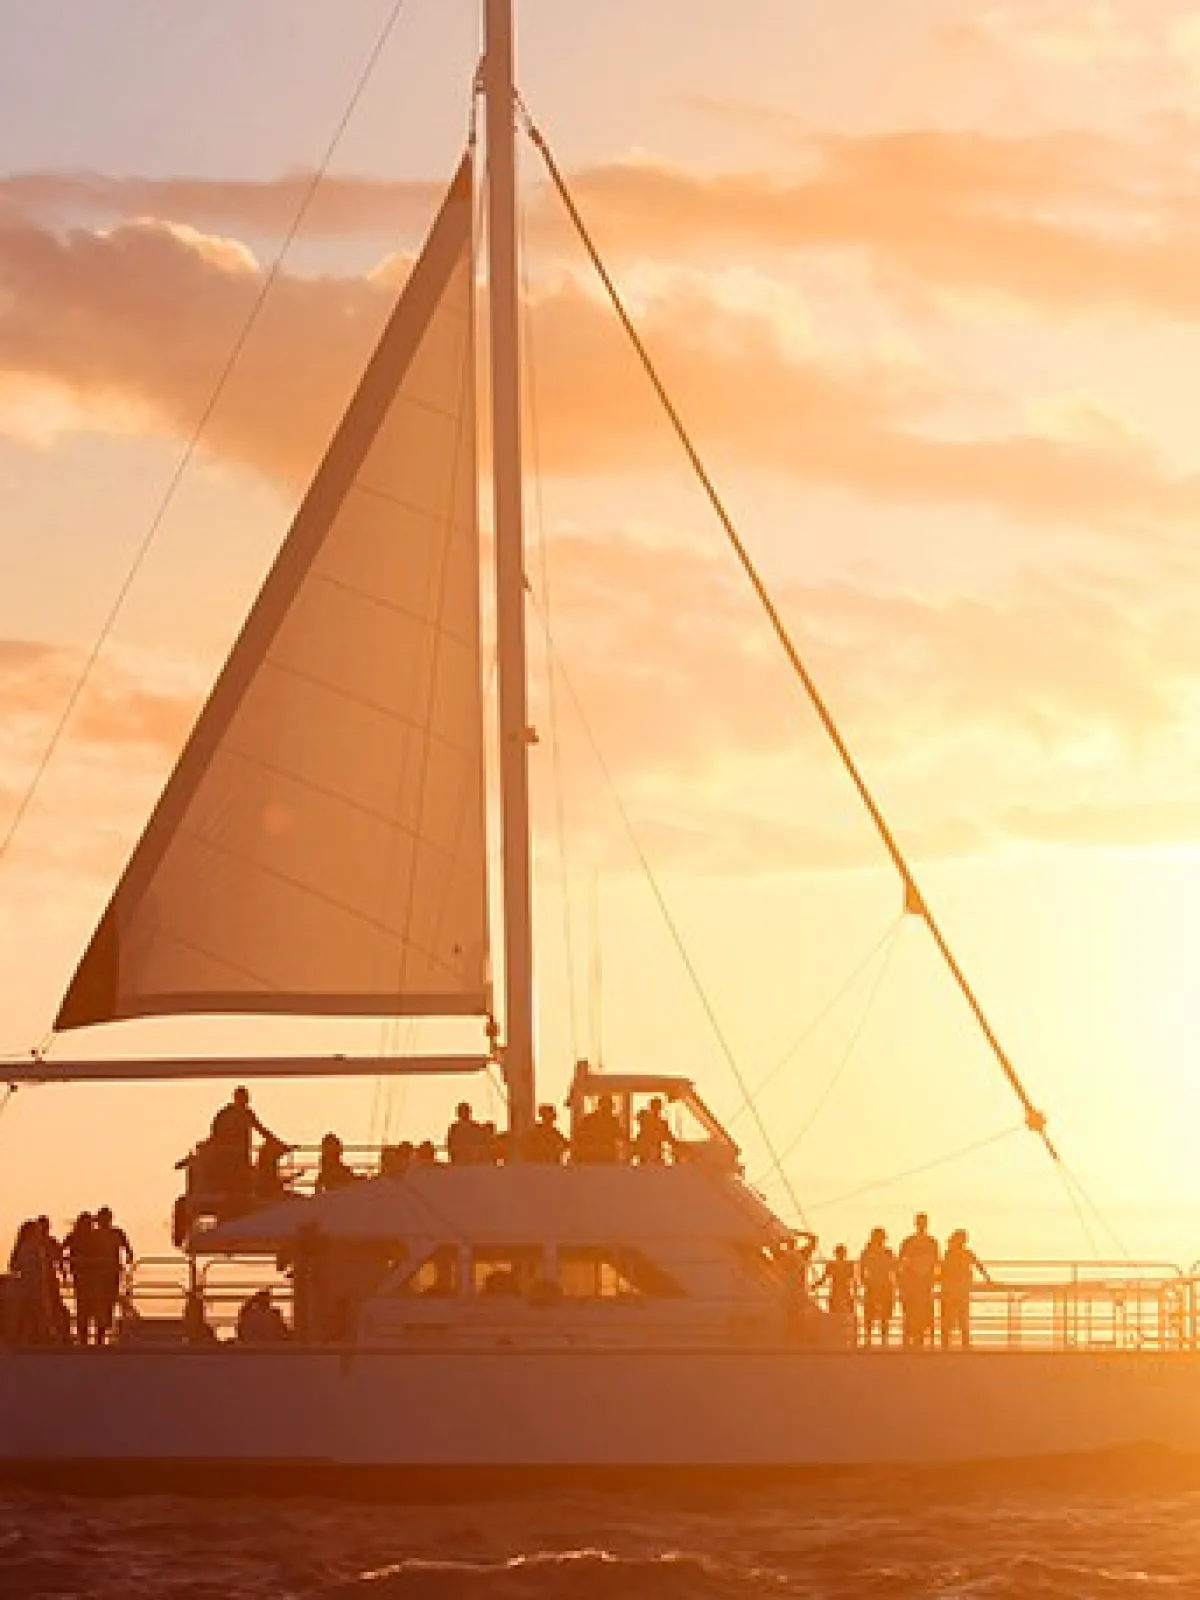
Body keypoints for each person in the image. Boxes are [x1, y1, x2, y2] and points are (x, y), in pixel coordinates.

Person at [208, 1086, 285, 1200]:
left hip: (239, 1154)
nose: (245, 1101)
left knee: (243, 1175)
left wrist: (278, 1143)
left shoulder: (243, 1113)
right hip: (230, 1154)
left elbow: (261, 1130)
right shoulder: (227, 1114)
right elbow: (215, 1133)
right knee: (238, 1176)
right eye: (244, 1098)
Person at [940, 1227, 992, 1348]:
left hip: (956, 1290)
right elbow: (978, 1265)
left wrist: (987, 1278)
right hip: (954, 1290)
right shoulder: (956, 1254)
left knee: (957, 1319)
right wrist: (987, 1279)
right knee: (955, 1318)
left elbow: (978, 1265)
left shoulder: (955, 1253)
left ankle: (953, 1343)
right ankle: (958, 1343)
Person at [91, 1206, 134, 1345]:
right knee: (99, 1303)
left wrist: (128, 1261)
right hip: (98, 1274)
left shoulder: (116, 1233)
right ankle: (100, 1333)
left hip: (112, 1273)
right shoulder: (94, 1234)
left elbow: (127, 1249)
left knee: (108, 1302)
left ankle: (104, 1331)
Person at [898, 1212, 940, 1348]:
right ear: (916, 1223)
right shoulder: (908, 1241)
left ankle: (921, 1337)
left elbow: (937, 1262)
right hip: (911, 1282)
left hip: (926, 1282)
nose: (921, 1225)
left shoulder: (932, 1242)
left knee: (925, 1310)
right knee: (910, 1310)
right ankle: (909, 1336)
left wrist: (934, 1276)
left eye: (923, 1222)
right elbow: (901, 1262)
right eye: (919, 1222)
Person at [62, 1211, 99, 1346]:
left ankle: (88, 1336)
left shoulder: (87, 1237)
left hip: (89, 1277)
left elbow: (61, 1251)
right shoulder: (78, 1237)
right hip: (84, 1276)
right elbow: (61, 1251)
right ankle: (86, 1336)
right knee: (85, 1307)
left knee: (87, 1307)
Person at [859, 1226, 897, 1348]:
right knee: (869, 1312)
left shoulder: (888, 1252)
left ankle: (884, 1338)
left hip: (885, 1284)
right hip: (872, 1283)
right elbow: (861, 1268)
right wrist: (864, 1280)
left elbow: (894, 1268)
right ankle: (868, 1337)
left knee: (885, 1313)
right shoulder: (867, 1252)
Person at [816, 1244, 858, 1346]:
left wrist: (815, 1285)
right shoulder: (847, 1264)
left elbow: (824, 1278)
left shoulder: (833, 1265)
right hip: (842, 1290)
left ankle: (836, 1336)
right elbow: (853, 1279)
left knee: (835, 1311)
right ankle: (854, 1337)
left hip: (839, 1290)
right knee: (849, 1311)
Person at [572, 1094, 622, 1163]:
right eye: (604, 1107)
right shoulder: (589, 1120)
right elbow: (579, 1136)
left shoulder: (614, 1121)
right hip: (590, 1158)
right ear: (599, 1106)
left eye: (609, 1108)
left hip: (609, 1158)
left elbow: (620, 1136)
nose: (606, 1110)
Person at [632, 1097, 673, 1164]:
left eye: (658, 1107)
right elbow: (639, 1117)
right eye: (655, 1107)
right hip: (644, 1152)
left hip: (656, 1153)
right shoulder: (645, 1118)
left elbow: (668, 1137)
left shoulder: (662, 1123)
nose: (656, 1109)